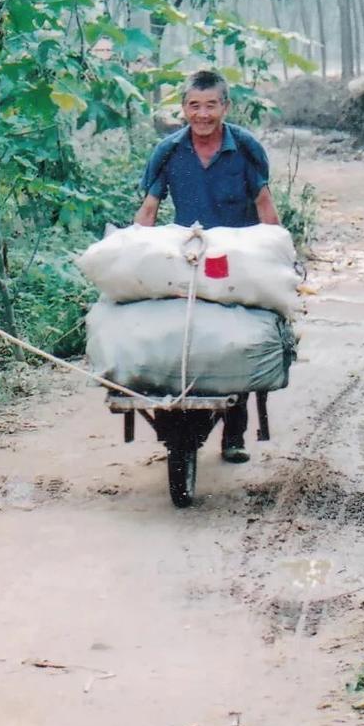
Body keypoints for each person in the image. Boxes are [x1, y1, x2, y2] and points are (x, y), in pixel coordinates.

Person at [133, 68, 281, 465]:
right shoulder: (168, 151)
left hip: (236, 261)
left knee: (237, 340)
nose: (202, 115)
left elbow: (265, 206)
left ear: (225, 107)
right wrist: (131, 253)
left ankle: (234, 433)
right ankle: (175, 419)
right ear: (183, 108)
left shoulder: (246, 149)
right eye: (194, 106)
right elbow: (149, 209)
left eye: (210, 105)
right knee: (175, 331)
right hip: (186, 259)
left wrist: (281, 258)